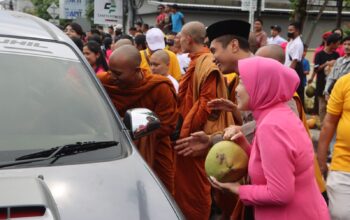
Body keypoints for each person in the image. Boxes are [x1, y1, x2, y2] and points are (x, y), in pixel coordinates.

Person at [210, 56, 330, 220]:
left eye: (243, 82)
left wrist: (237, 189)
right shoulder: (277, 114)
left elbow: (280, 193)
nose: (237, 90)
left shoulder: (271, 127)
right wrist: (244, 145)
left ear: (262, 86)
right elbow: (276, 163)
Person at [97, 45, 178, 195]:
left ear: (136, 70)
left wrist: (135, 128)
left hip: (155, 153)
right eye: (110, 71)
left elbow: (168, 124)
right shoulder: (104, 81)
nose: (112, 76)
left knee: (160, 195)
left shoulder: (159, 87)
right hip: (115, 149)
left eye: (118, 73)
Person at [174, 21, 233, 220]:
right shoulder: (195, 60)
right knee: (186, 185)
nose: (177, 39)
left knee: (196, 187)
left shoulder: (206, 63)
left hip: (196, 134)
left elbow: (207, 103)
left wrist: (186, 131)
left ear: (188, 39)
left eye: (180, 36)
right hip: (189, 130)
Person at [317, 74, 350, 220]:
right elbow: (329, 123)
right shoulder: (345, 82)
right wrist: (321, 159)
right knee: (341, 214)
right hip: (344, 166)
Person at [309, 33, 340, 123]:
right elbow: (316, 69)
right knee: (322, 107)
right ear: (332, 43)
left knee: (331, 106)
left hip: (332, 85)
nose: (338, 46)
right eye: (337, 43)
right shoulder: (319, 54)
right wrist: (327, 63)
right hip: (321, 83)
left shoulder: (336, 55)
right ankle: (323, 126)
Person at [285, 22, 305, 106]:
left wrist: (288, 74)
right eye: (288, 30)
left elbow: (294, 60)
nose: (289, 32)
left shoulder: (298, 43)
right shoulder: (291, 42)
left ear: (297, 31)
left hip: (294, 69)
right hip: (288, 67)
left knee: (296, 93)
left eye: (291, 30)